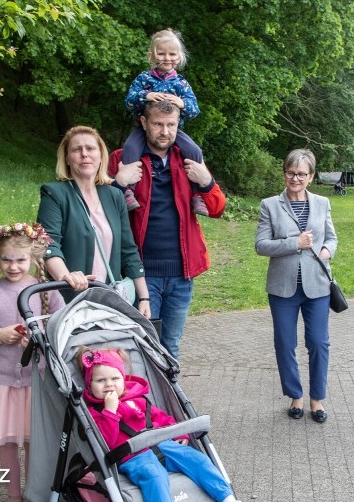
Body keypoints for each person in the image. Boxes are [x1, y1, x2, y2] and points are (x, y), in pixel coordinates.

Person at [109, 100, 226, 359]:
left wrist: (205, 181)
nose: (165, 132)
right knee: (141, 346)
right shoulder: (123, 159)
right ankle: (144, 399)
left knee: (171, 346)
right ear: (144, 123)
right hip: (140, 273)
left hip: (181, 274)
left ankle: (170, 400)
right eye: (158, 124)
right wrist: (119, 184)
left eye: (171, 125)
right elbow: (102, 211)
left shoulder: (188, 160)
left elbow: (217, 209)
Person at [0, 222, 66, 502]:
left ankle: (35, 494)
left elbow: (62, 330)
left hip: (37, 382)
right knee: (8, 442)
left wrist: (39, 340)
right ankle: (13, 496)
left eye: (20, 259)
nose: (13, 266)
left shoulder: (47, 291)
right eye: (6, 260)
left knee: (36, 441)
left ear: (33, 258)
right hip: (2, 384)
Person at [77, 347, 240, 502]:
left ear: (123, 380)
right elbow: (106, 442)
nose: (109, 384)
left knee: (197, 459)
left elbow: (162, 419)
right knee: (154, 476)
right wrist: (110, 412)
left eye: (115, 378)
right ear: (89, 385)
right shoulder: (96, 412)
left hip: (163, 445)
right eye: (100, 380)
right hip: (133, 457)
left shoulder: (139, 400)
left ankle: (225, 496)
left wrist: (179, 433)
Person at [255, 149, 337, 423]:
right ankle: (296, 396)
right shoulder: (270, 205)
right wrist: (294, 244)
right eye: (291, 173)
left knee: (318, 342)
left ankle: (317, 398)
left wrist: (326, 251)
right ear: (284, 173)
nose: (295, 178)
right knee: (285, 343)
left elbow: (332, 237)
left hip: (317, 285)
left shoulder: (323, 203)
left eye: (302, 174)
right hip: (282, 287)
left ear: (311, 177)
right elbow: (261, 245)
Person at [36, 125, 151, 316]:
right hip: (70, 298)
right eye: (76, 149)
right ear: (67, 158)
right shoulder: (55, 193)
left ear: (100, 155)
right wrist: (66, 276)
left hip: (108, 299)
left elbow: (128, 250)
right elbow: (48, 244)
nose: (84, 154)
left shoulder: (114, 195)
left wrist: (144, 297)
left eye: (90, 148)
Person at [122, 28, 207, 216]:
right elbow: (128, 101)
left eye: (171, 54)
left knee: (194, 151)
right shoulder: (144, 78)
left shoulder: (181, 83)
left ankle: (196, 194)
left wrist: (183, 104)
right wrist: (146, 95)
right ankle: (129, 190)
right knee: (129, 148)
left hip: (174, 131)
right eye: (161, 53)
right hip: (145, 130)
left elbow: (195, 110)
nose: (166, 58)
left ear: (178, 57)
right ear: (151, 55)